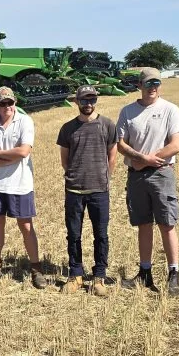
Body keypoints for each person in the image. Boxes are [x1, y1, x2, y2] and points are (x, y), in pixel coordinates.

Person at [116, 67, 179, 295]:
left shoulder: (170, 110)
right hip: (136, 176)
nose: (153, 87)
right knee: (143, 224)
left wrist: (147, 160)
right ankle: (144, 272)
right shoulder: (128, 111)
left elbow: (176, 145)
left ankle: (173, 273)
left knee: (167, 224)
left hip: (161, 174)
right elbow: (121, 144)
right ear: (139, 86)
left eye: (156, 83)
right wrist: (140, 158)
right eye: (148, 83)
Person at [0, 87, 47, 289]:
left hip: (20, 184)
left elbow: (24, 151)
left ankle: (36, 268)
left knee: (25, 226)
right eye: (3, 103)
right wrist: (6, 160)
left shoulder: (25, 121)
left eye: (11, 103)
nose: (8, 107)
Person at [56, 85, 117, 297]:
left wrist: (104, 178)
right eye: (84, 100)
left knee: (101, 235)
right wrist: (75, 175)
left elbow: (112, 156)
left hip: (99, 190)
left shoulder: (107, 125)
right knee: (74, 234)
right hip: (74, 190)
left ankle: (99, 277)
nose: (88, 104)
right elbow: (65, 160)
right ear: (77, 102)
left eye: (92, 100)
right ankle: (75, 275)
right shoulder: (67, 128)